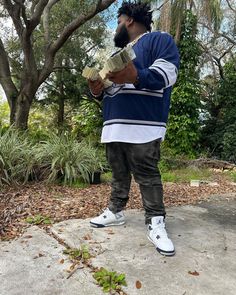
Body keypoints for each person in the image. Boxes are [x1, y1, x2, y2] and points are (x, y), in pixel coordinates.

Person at [87, 1, 179, 256]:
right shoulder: (116, 55)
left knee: (147, 173)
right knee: (118, 172)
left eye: (117, 21)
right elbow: (109, 91)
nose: (116, 27)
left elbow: (168, 74)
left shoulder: (159, 40)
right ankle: (115, 211)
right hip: (114, 124)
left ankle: (156, 221)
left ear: (128, 19)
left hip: (144, 125)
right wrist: (96, 89)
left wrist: (135, 76)